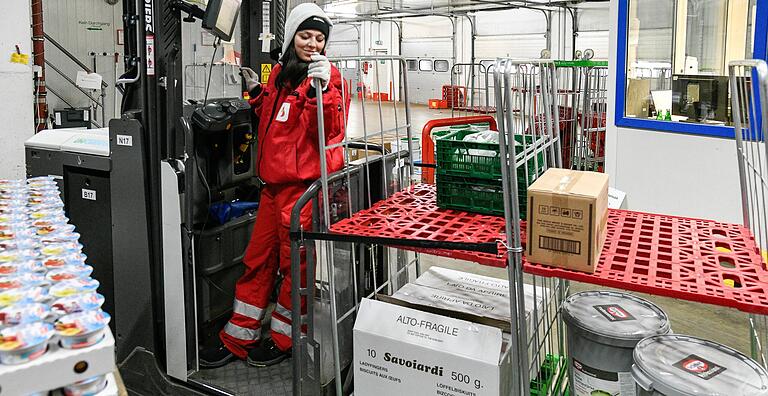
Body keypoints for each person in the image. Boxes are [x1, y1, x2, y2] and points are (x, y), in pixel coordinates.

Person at [199, 3, 349, 368]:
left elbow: (328, 128)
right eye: (305, 35)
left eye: (319, 38)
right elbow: (275, 117)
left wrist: (322, 88)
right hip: (271, 188)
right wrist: (256, 91)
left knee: (294, 268)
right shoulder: (282, 73)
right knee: (257, 261)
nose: (312, 44)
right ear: (291, 37)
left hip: (301, 193)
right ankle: (239, 335)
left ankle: (284, 337)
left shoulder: (329, 79)